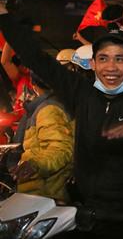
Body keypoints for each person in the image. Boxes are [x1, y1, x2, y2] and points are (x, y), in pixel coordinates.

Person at [0, 1, 123, 239]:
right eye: (104, 58)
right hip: (88, 213)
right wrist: (4, 16)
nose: (111, 67)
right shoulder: (81, 92)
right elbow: (36, 58)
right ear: (93, 63)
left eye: (120, 59)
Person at [9, 72, 73, 202]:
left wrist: (35, 165)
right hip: (39, 191)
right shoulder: (58, 103)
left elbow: (60, 149)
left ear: (33, 85)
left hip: (44, 194)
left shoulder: (49, 109)